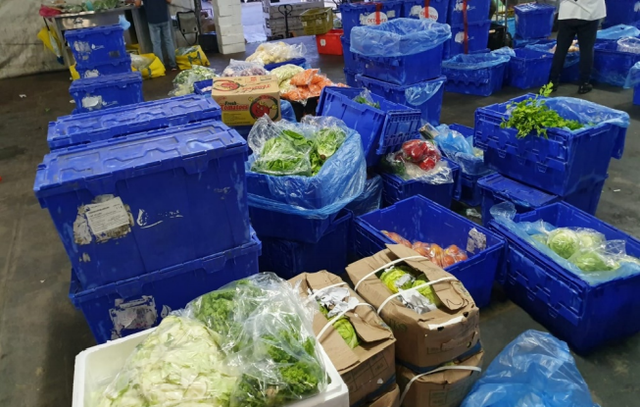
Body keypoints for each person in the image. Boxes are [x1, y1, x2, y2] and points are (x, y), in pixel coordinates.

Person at [549, 0, 606, 94]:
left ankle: (552, 83)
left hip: (568, 13)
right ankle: (584, 84)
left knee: (561, 49)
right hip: (590, 14)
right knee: (586, 49)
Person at [135, 0, 178, 71]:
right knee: (168, 41)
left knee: (156, 43)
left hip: (152, 20)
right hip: (164, 18)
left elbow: (137, 4)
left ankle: (160, 66)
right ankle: (173, 65)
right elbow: (169, 1)